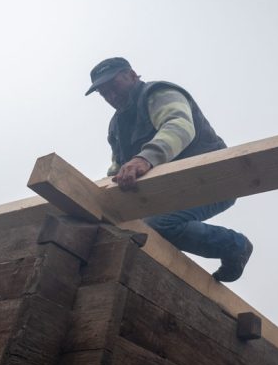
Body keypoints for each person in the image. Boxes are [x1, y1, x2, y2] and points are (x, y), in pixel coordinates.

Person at [85, 57, 253, 282]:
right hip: (168, 191)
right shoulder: (117, 126)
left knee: (156, 225)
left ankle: (235, 246)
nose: (111, 96)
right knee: (130, 228)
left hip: (211, 177)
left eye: (113, 86)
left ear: (132, 75)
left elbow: (179, 126)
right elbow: (117, 166)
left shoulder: (158, 93)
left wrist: (145, 159)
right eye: (104, 94)